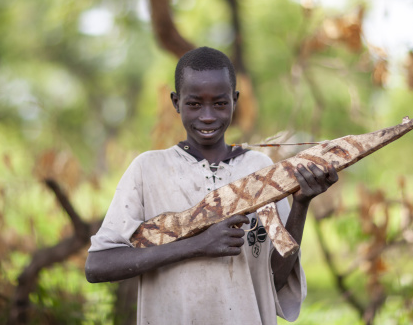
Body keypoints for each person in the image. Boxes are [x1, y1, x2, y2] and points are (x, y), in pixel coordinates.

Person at [85, 47, 338, 324]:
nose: (207, 116)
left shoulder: (259, 170)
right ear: (176, 102)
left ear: (235, 100)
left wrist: (301, 204)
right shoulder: (148, 169)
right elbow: (98, 266)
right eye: (194, 104)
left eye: (219, 103)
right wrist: (197, 244)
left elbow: (273, 281)